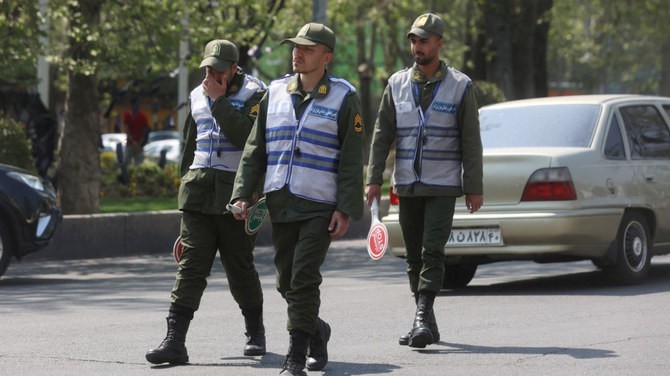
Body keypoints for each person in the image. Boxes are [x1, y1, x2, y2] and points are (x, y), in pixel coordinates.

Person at [229, 23, 365, 376]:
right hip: (281, 202)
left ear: (327, 57)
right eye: (295, 46)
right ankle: (317, 331)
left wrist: (346, 208)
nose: (297, 52)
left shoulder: (343, 96)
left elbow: (351, 159)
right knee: (285, 283)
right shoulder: (272, 94)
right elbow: (254, 151)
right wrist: (243, 194)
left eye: (307, 47)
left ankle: (295, 356)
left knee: (304, 279)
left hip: (320, 205)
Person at [365, 13, 484, 349]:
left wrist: (474, 186)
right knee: (413, 256)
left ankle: (420, 316)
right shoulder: (397, 83)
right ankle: (426, 321)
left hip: (443, 185)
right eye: (414, 40)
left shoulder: (461, 86)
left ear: (439, 43)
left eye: (424, 40)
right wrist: (373, 178)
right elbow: (381, 134)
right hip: (407, 183)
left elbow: (471, 142)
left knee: (433, 251)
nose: (417, 46)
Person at [145, 39, 268, 365]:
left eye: (218, 69)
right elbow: (191, 147)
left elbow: (250, 139)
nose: (211, 74)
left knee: (239, 267)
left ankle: (255, 331)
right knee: (191, 267)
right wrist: (184, 184)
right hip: (198, 194)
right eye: (207, 68)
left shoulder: (256, 95)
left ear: (233, 69)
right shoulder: (197, 94)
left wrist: (219, 102)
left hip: (236, 196)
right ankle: (175, 340)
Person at [122, 96, 150, 165]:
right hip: (130, 143)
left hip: (139, 145)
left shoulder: (142, 116)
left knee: (139, 163)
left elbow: (145, 131)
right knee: (127, 162)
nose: (137, 106)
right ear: (132, 105)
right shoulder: (127, 115)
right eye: (135, 104)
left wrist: (140, 143)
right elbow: (126, 129)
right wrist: (134, 142)